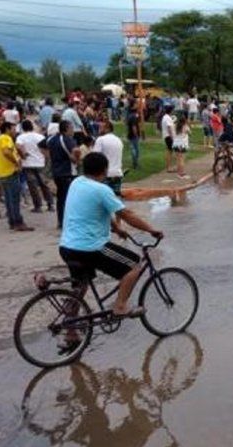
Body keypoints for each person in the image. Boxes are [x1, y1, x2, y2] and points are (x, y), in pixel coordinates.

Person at [59, 152, 163, 320]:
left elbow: (96, 211)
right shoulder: (102, 190)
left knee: (80, 286)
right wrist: (151, 230)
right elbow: (127, 214)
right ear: (105, 170)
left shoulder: (76, 182)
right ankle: (120, 306)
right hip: (90, 248)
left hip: (67, 246)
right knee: (134, 265)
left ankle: (70, 328)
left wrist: (116, 229)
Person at [0, 122, 33, 231]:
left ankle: (12, 222)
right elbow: (6, 152)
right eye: (13, 129)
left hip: (2, 174)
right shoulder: (6, 138)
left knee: (9, 199)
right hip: (10, 173)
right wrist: (16, 162)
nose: (15, 131)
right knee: (14, 199)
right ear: (7, 129)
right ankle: (18, 222)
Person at [43, 120, 81, 228]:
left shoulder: (51, 139)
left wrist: (48, 157)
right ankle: (69, 221)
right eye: (71, 128)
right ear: (66, 129)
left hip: (56, 172)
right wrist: (76, 159)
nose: (73, 130)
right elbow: (76, 150)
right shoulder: (67, 139)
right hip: (67, 172)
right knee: (70, 197)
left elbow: (42, 146)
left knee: (60, 198)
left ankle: (61, 221)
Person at [16, 120, 54, 213]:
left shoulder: (21, 137)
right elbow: (46, 148)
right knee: (43, 184)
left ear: (23, 128)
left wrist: (23, 155)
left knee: (33, 186)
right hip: (40, 163)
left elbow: (17, 146)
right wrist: (46, 159)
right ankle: (50, 204)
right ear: (32, 127)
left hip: (28, 164)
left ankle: (38, 206)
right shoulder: (40, 136)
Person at [92, 120, 125, 196]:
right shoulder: (118, 140)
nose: (99, 130)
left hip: (105, 175)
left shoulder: (100, 139)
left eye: (101, 128)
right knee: (115, 200)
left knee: (102, 200)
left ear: (107, 129)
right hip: (117, 173)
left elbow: (94, 157)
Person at [172, 114, 190, 179]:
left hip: (176, 144)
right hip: (182, 145)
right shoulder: (185, 127)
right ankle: (182, 173)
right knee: (182, 159)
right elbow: (190, 133)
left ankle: (179, 173)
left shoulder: (175, 126)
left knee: (178, 159)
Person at [160, 105, 176, 172]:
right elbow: (169, 128)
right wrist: (172, 137)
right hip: (169, 136)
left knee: (169, 151)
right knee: (169, 152)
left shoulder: (166, 117)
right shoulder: (167, 118)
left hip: (167, 136)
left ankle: (169, 166)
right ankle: (169, 167)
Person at [126, 102, 141, 169]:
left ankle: (135, 163)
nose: (137, 106)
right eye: (135, 105)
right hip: (133, 135)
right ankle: (135, 163)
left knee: (133, 148)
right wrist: (136, 134)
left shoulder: (129, 116)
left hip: (130, 134)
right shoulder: (133, 116)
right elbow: (134, 126)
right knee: (135, 150)